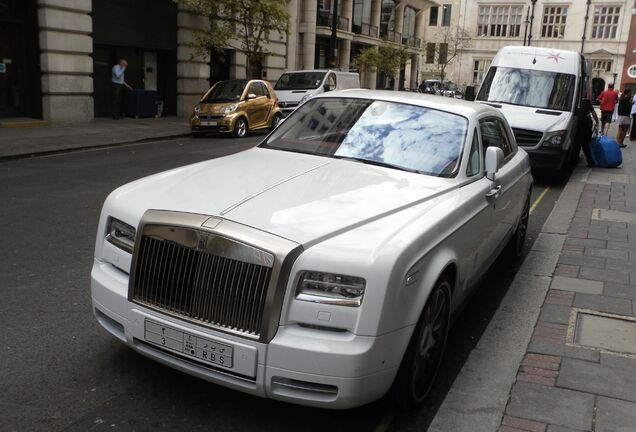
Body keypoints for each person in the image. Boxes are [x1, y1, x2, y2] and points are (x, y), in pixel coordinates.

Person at [575, 98, 599, 166]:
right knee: (585, 146)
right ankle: (590, 161)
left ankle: (575, 160)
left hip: (579, 128)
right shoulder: (587, 104)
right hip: (586, 129)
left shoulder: (577, 104)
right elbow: (594, 114)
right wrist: (597, 122)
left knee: (577, 145)